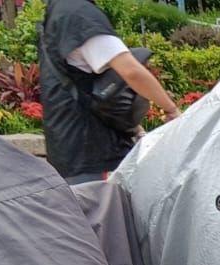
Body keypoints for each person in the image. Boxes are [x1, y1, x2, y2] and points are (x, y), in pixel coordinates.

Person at [38, 0, 181, 183]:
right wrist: (171, 110)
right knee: (100, 202)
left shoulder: (59, 10)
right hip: (91, 151)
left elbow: (84, 82)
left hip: (69, 148)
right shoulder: (80, 14)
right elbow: (131, 71)